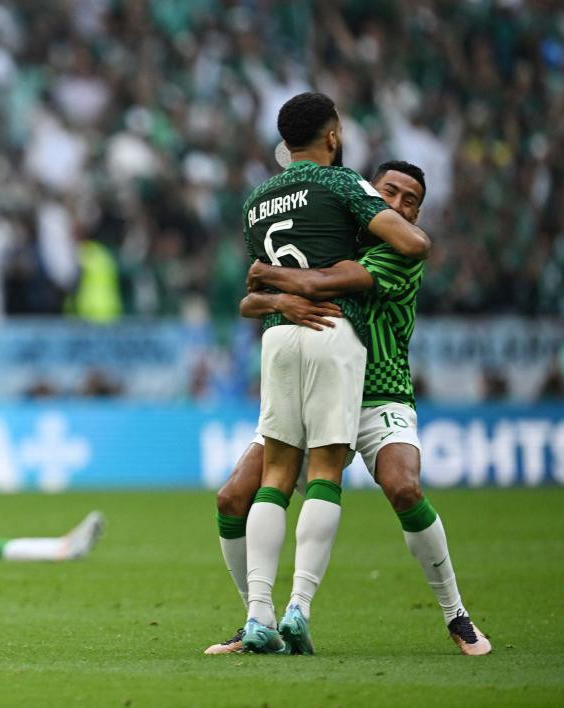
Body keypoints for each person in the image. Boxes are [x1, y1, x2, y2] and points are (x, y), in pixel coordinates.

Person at [205, 161, 489, 656]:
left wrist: (273, 279)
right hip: (314, 386)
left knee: (404, 487)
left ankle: (456, 614)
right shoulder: (339, 236)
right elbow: (248, 304)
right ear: (370, 196)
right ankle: (259, 618)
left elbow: (318, 285)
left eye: (411, 201)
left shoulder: (401, 253)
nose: (399, 206)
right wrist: (279, 302)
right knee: (232, 497)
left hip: (377, 391)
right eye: (390, 194)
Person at [239, 92, 431, 654]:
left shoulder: (256, 200)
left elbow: (255, 291)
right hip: (333, 331)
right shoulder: (342, 183)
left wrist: (281, 294)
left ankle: (257, 616)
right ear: (333, 135)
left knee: (275, 476)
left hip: (276, 337)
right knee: (324, 472)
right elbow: (412, 242)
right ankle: (298, 607)